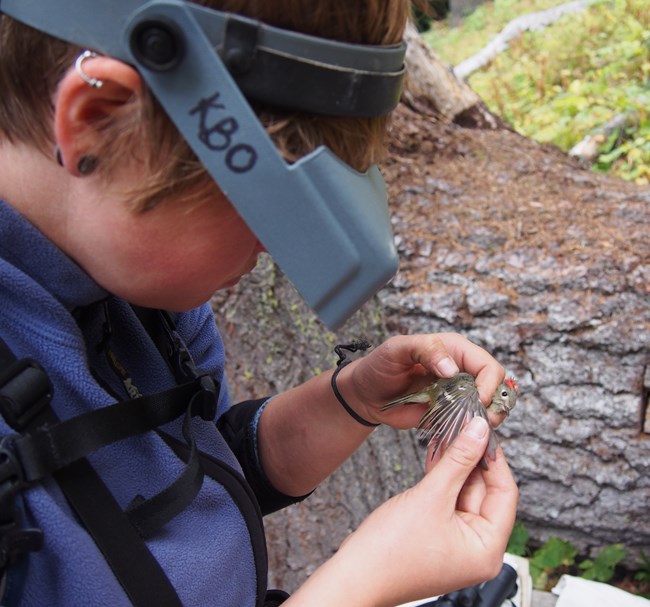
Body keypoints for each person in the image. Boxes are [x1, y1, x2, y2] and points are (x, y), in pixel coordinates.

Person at [0, 1, 518, 606]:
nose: (273, 254)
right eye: (270, 213)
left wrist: (348, 401)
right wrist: (357, 588)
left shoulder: (136, 288)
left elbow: (196, 466)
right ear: (100, 121)